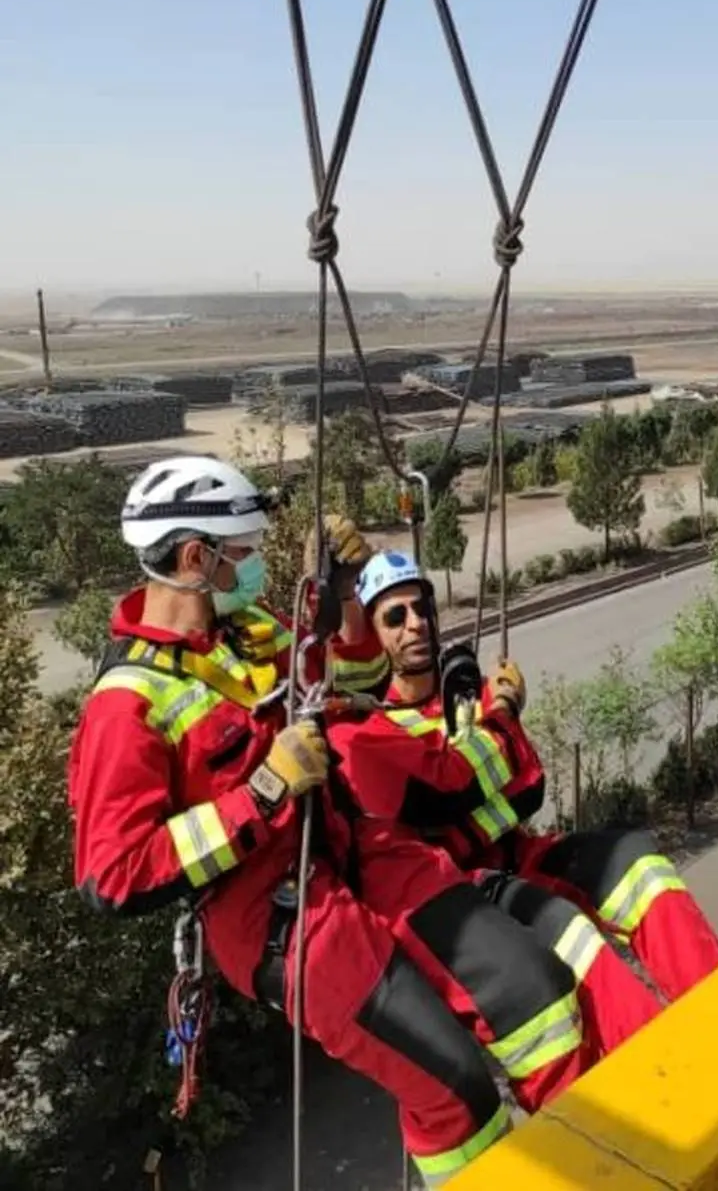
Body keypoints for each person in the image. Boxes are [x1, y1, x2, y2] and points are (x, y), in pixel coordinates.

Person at [68, 457, 595, 1187]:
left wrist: (344, 593)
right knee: (454, 1088)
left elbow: (348, 675)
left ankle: (600, 1154)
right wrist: (261, 789)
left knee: (533, 984)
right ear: (196, 558)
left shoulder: (242, 628)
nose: (250, 568)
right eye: (243, 554)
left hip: (353, 846)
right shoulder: (124, 707)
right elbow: (113, 873)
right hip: (281, 915)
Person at [330, 549, 718, 1017]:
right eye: (395, 616)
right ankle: (646, 1066)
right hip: (462, 885)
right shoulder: (376, 731)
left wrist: (474, 794)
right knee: (571, 935)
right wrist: (496, 734)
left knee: (637, 862)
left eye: (422, 609)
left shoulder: (466, 693)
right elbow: (442, 803)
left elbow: (528, 787)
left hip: (519, 854)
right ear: (374, 636)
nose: (415, 624)